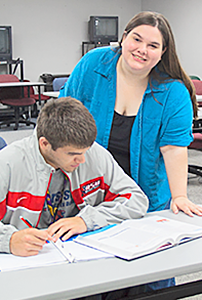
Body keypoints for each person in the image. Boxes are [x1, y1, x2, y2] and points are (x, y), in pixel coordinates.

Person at [59, 11, 202, 294]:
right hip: (88, 195)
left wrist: (180, 196)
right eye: (136, 39)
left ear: (163, 53)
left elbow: (173, 149)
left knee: (143, 280)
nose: (142, 50)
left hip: (145, 198)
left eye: (153, 46)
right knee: (87, 274)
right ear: (123, 38)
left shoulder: (173, 92)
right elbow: (63, 115)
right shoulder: (94, 65)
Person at [0, 97, 148, 256]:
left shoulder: (93, 154)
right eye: (72, 154)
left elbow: (136, 200)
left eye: (85, 151)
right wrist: (7, 240)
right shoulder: (5, 166)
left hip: (79, 257)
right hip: (26, 264)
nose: (82, 160)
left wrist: (86, 220)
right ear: (44, 144)